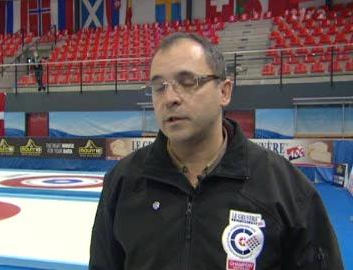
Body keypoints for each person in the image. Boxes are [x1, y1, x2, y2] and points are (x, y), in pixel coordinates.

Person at [89, 32, 344, 270]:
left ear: (224, 91)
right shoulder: (122, 182)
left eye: (187, 82)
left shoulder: (287, 189)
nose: (170, 98)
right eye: (159, 87)